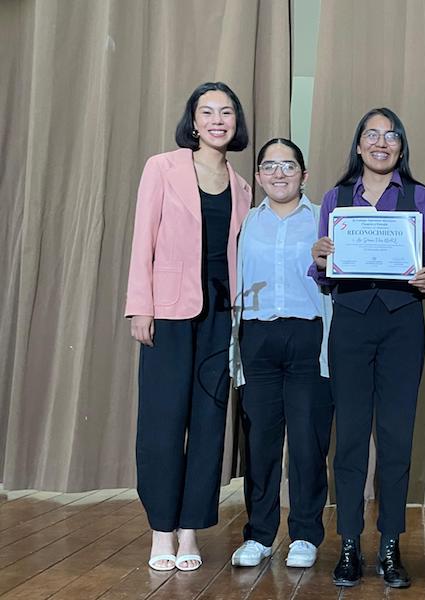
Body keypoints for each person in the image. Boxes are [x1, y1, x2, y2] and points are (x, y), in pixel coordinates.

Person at [310, 107, 425, 588]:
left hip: (404, 323)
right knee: (350, 439)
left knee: (396, 438)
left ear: (401, 147)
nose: (381, 143)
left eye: (391, 136)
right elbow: (324, 272)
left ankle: (390, 546)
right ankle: (347, 543)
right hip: (350, 323)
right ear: (359, 145)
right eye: (372, 135)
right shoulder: (336, 197)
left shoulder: (421, 197)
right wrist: (319, 257)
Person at [125, 81, 251, 572]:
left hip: (223, 318)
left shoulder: (243, 186)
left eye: (227, 112)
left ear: (235, 123)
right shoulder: (162, 168)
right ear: (193, 122)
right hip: (169, 313)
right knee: (161, 422)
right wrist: (141, 305)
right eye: (208, 112)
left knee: (207, 425)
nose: (218, 120)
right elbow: (143, 239)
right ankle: (161, 530)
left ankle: (190, 530)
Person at [228, 138, 333, 569]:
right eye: (269, 166)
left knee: (308, 440)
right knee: (263, 441)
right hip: (257, 337)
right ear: (258, 176)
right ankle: (261, 534)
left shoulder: (322, 220)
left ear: (304, 175)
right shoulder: (245, 222)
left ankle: (305, 533)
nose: (279, 174)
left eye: (288, 166)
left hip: (308, 336)